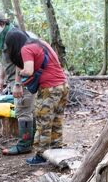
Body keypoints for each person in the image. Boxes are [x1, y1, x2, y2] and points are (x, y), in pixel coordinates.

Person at [4, 31, 69, 165]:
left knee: (43, 122)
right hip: (63, 85)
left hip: (49, 88)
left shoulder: (25, 49)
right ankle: (57, 150)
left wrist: (20, 75)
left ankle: (41, 155)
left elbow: (28, 70)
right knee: (56, 120)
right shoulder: (41, 43)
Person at [0, 10, 35, 155]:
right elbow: (5, 60)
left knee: (23, 111)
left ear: (0, 22)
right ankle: (31, 140)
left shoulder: (13, 35)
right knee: (24, 109)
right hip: (12, 78)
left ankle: (24, 145)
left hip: (22, 78)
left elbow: (22, 60)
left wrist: (18, 83)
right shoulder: (3, 36)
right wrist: (0, 77)